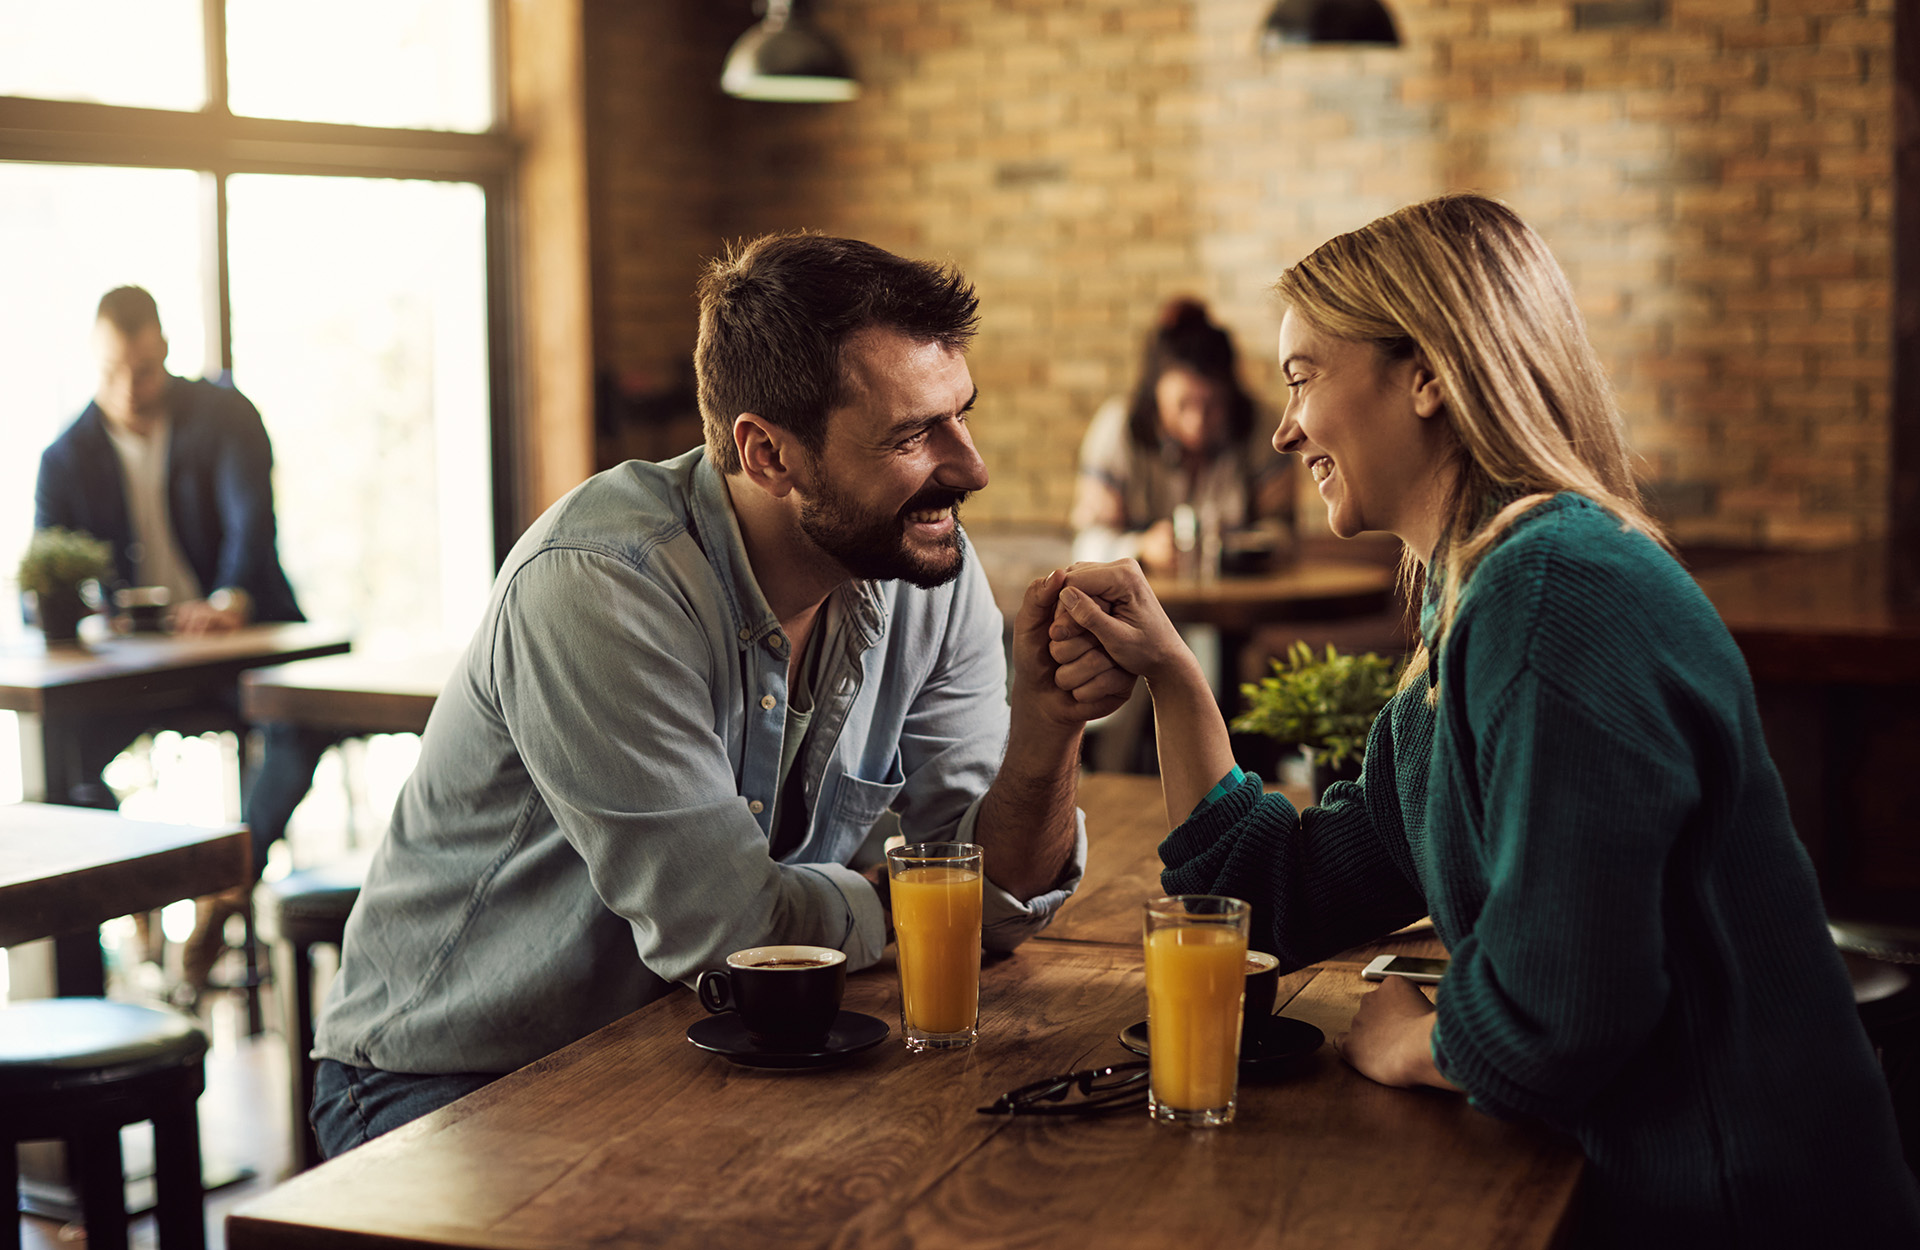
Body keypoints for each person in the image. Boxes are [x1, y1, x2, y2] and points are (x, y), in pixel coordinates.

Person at [1046, 196, 1920, 1246]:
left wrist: (1414, 1042)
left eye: (1303, 375)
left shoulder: (1550, 597)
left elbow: (1562, 1017)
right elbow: (1273, 896)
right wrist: (1176, 679)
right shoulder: (1484, 598)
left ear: (1428, 374)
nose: (1282, 428)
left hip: (1731, 1209)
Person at [310, 234, 1131, 1155]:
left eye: (961, 417)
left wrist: (1050, 729)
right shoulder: (601, 583)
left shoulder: (921, 569)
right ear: (768, 454)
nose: (971, 467)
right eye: (912, 435)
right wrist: (908, 901)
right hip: (456, 1084)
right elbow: (735, 938)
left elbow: (991, 902)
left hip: (704, 1051)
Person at [33, 285, 337, 996]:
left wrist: (231, 596)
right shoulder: (64, 457)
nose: (128, 388)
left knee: (301, 720)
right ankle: (131, 914)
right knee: (69, 764)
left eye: (142, 368)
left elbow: (249, 522)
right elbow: (47, 577)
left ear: (164, 350)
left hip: (237, 651)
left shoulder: (222, 415)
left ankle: (227, 885)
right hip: (131, 672)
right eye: (111, 370)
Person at [1068, 296, 1293, 573]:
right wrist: (1141, 548)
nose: (1196, 422)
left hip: (1238, 609)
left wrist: (1237, 548)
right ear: (1156, 394)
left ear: (1230, 395)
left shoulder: (1260, 425)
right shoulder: (1119, 428)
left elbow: (1285, 535)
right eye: (1182, 404)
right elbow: (1087, 544)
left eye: (1212, 406)